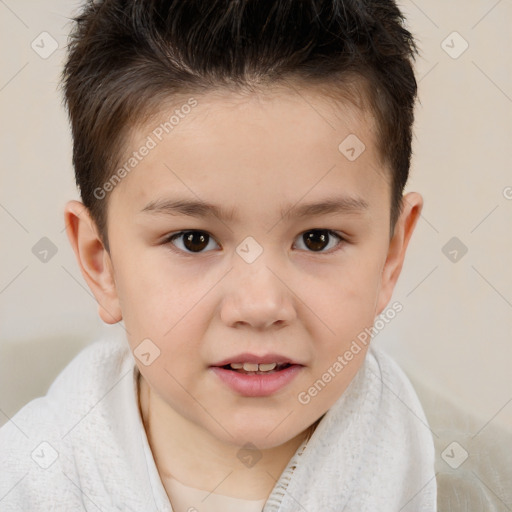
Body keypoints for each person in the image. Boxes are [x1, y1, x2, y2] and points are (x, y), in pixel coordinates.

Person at [0, 1, 438, 510]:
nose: (259, 305)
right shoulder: (25, 485)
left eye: (317, 238)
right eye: (194, 240)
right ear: (102, 263)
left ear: (391, 254)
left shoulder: (476, 485)